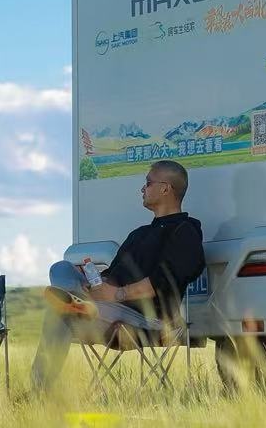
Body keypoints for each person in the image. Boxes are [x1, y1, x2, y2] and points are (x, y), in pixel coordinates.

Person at [30, 159, 204, 393]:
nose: (142, 189)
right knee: (60, 268)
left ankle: (39, 391)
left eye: (148, 183)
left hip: (146, 319)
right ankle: (80, 300)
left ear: (165, 188)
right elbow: (114, 274)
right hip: (110, 306)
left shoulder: (185, 232)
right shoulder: (139, 234)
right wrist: (99, 284)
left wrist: (117, 294)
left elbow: (163, 281)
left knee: (58, 313)